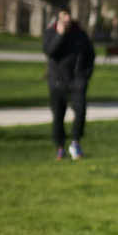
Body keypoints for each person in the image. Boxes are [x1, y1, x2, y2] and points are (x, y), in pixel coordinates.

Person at [42, 8, 95, 160]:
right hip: (57, 82)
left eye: (69, 15)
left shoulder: (80, 34)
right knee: (58, 116)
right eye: (64, 15)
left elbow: (91, 55)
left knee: (80, 112)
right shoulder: (51, 32)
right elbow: (50, 51)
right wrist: (60, 34)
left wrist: (85, 76)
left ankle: (75, 142)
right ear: (58, 18)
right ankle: (60, 147)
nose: (67, 18)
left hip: (77, 81)